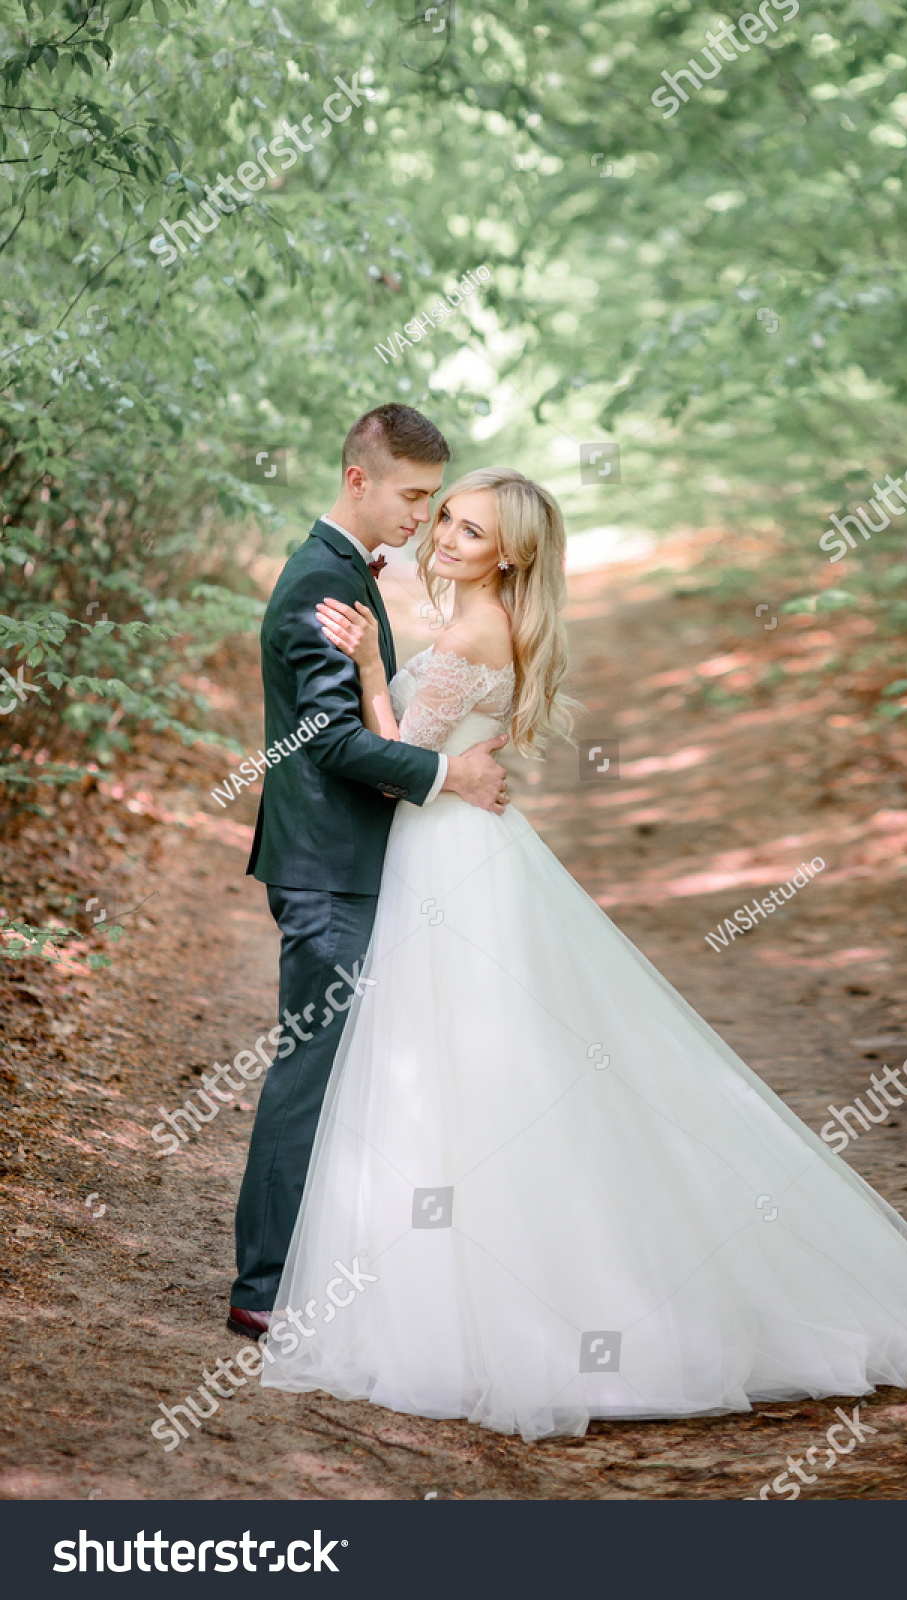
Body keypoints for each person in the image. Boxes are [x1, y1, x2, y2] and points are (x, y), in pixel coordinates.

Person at [259, 466, 907, 1440]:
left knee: (471, 1072)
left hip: (447, 862)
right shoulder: (486, 619)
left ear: (512, 555)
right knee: (468, 1070)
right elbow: (439, 755)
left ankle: (508, 1310)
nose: (449, 538)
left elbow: (400, 766)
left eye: (472, 530)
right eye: (449, 519)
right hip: (459, 851)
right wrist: (400, 687)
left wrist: (378, 672)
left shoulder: (470, 631)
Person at [228, 406, 507, 1339]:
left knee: (345, 1064)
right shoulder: (321, 582)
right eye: (414, 496)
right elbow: (337, 741)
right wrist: (446, 772)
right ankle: (262, 1288)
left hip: (343, 857)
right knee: (308, 1068)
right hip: (325, 865)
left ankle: (319, 1263)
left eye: (437, 502)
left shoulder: (345, 571)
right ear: (360, 479)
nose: (424, 519)